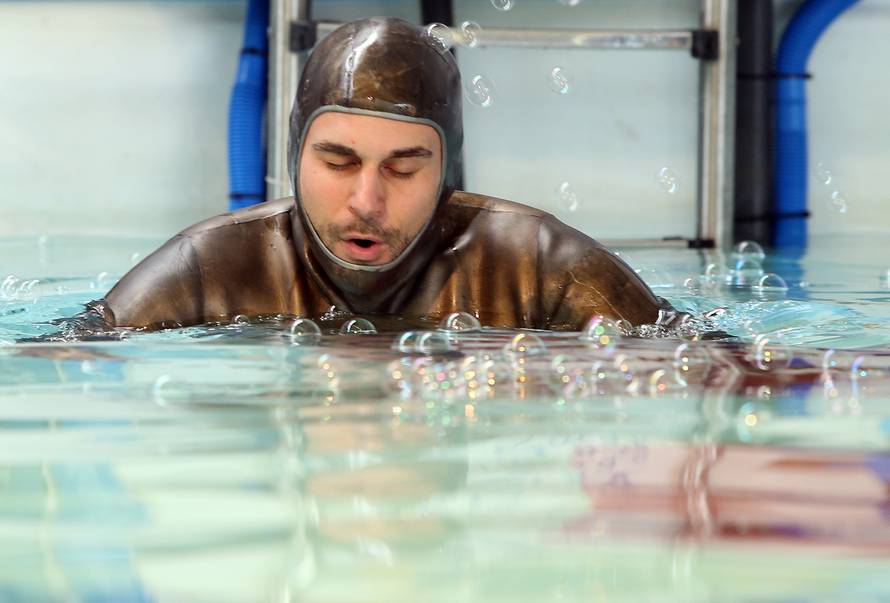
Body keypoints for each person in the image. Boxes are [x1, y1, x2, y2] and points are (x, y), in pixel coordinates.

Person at [91, 17, 683, 333]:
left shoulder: (542, 267)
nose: (365, 200)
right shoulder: (208, 268)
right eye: (337, 162)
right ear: (295, 155)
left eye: (402, 168)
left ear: (448, 171)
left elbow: (716, 373)